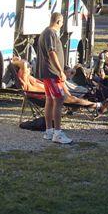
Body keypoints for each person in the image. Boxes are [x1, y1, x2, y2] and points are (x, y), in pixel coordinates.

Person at [15, 57, 108, 112]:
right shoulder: (23, 77)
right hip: (46, 97)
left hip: (50, 93)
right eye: (29, 67)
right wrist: (17, 62)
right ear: (23, 69)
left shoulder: (28, 77)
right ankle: (97, 106)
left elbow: (24, 65)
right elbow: (23, 64)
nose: (30, 68)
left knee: (72, 99)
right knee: (73, 99)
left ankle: (96, 105)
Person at [37, 12, 72, 144]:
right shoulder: (50, 33)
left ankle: (49, 131)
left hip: (48, 73)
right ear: (58, 21)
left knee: (50, 100)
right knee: (59, 99)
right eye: (62, 22)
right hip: (52, 73)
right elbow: (52, 52)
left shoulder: (46, 33)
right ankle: (57, 133)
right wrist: (60, 70)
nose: (62, 25)